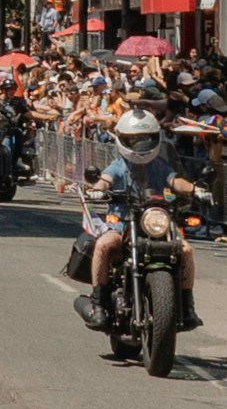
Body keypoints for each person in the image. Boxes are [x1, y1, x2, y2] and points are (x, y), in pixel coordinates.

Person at [68, 103, 212, 340]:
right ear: (123, 140)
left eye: (145, 138)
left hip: (156, 222)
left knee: (186, 250)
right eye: (134, 139)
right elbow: (104, 180)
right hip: (122, 222)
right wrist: (97, 190)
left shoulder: (159, 165)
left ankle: (187, 306)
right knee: (104, 245)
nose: (140, 144)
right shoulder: (119, 166)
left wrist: (196, 189)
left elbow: (175, 181)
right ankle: (99, 303)